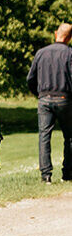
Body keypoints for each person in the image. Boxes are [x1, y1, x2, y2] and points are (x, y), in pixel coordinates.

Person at [26, 23, 72, 182]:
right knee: (70, 137)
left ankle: (46, 176)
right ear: (70, 37)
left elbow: (30, 78)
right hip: (65, 99)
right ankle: (67, 174)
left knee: (44, 137)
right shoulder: (70, 53)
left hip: (44, 99)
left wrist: (38, 94)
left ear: (56, 34)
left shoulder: (41, 53)